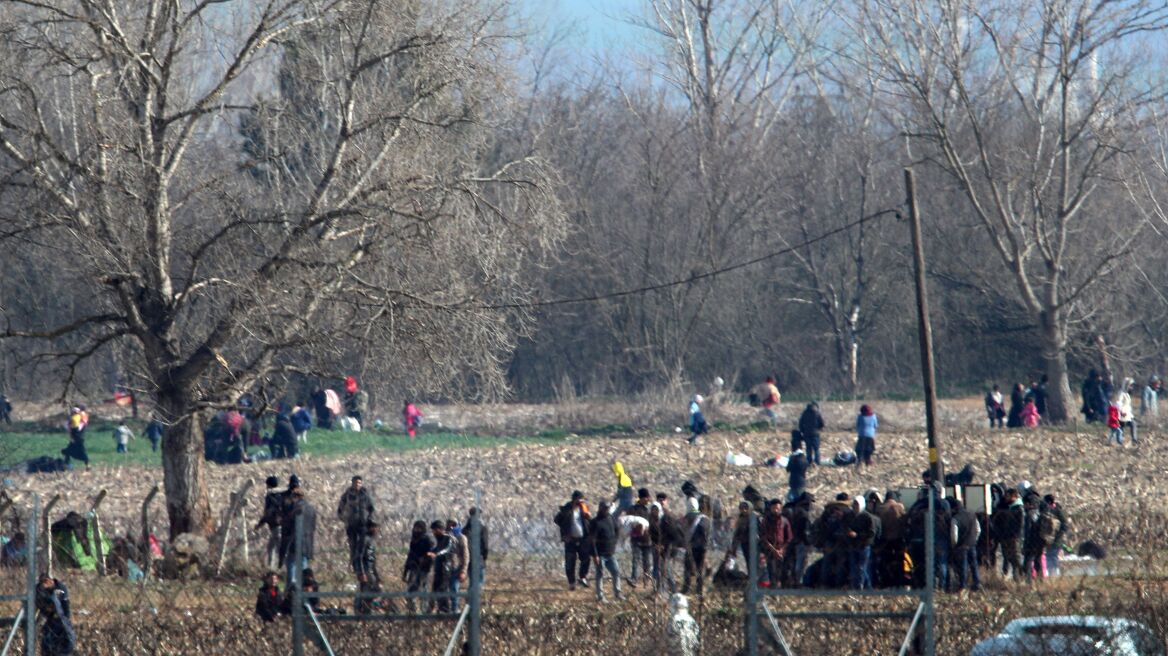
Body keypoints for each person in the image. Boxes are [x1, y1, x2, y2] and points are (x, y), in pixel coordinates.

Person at [554, 490, 592, 590]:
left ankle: (582, 577)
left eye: (582, 500)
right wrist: (565, 533)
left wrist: (588, 517)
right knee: (570, 561)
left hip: (583, 538)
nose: (581, 502)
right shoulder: (566, 509)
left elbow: (589, 521)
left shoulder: (584, 508)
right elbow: (557, 520)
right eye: (579, 500)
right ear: (574, 500)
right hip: (570, 540)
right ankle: (572, 582)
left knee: (586, 559)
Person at [280, 485, 317, 586]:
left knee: (292, 565)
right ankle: (303, 589)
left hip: (295, 541)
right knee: (303, 568)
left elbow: (289, 526)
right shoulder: (311, 509)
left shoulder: (296, 509)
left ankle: (292, 590)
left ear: (295, 497)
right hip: (307, 542)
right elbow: (313, 527)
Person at [588, 502, 623, 602]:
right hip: (600, 553)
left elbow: (616, 530)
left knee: (616, 572)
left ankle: (618, 593)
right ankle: (600, 596)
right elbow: (592, 540)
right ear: (600, 508)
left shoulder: (611, 518)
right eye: (605, 508)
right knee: (600, 574)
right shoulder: (595, 522)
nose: (606, 510)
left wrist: (614, 543)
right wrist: (595, 555)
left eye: (607, 509)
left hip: (610, 552)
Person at [873, 490, 906, 588]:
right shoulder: (899, 507)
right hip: (898, 539)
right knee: (899, 562)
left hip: (884, 540)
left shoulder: (880, 509)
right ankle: (899, 582)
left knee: (885, 562)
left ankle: (886, 583)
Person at [337, 475, 376, 559]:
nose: (357, 484)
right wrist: (344, 519)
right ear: (352, 483)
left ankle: (362, 566)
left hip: (363, 524)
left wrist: (370, 519)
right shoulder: (347, 494)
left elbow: (371, 508)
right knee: (353, 547)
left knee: (363, 547)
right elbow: (340, 508)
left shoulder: (365, 494)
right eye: (356, 482)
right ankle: (355, 566)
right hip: (351, 524)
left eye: (359, 483)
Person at [847, 497, 880, 590]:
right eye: (854, 504)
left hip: (863, 546)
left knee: (862, 567)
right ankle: (860, 586)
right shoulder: (850, 516)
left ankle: (861, 586)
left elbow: (871, 532)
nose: (855, 507)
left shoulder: (867, 517)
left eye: (857, 504)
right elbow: (845, 526)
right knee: (854, 567)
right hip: (853, 545)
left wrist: (857, 535)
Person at [781, 493, 813, 588]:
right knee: (799, 564)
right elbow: (805, 531)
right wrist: (808, 543)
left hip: (786, 542)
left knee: (787, 563)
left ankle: (785, 582)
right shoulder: (803, 513)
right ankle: (796, 582)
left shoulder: (787, 510)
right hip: (798, 542)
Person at [991, 488, 1024, 580]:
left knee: (1015, 558)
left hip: (1013, 538)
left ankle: (1020, 576)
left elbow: (1020, 525)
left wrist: (1015, 536)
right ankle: (1012, 576)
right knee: (1008, 557)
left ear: (1013, 496)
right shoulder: (1007, 507)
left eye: (1007, 496)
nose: (1005, 498)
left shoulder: (1018, 508)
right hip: (1006, 537)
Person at [403, 520, 435, 613]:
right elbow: (410, 555)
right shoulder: (414, 540)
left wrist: (424, 560)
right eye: (416, 528)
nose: (417, 530)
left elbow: (431, 554)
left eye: (419, 528)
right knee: (410, 592)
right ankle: (413, 612)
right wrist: (406, 570)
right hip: (414, 569)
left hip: (424, 570)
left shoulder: (427, 539)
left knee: (423, 592)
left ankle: (425, 613)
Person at [949, 498, 980, 591]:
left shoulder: (955, 518)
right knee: (974, 565)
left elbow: (954, 535)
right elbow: (978, 529)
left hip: (961, 546)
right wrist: (974, 540)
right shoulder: (972, 515)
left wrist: (954, 545)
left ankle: (963, 585)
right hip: (972, 544)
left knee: (963, 566)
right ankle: (976, 583)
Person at [681, 497, 710, 595]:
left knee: (688, 569)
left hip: (691, 546)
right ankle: (699, 589)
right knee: (700, 569)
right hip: (703, 547)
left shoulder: (687, 517)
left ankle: (686, 589)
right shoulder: (705, 518)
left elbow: (683, 531)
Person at [254, 475, 284, 569]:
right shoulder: (282, 495)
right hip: (283, 526)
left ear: (269, 485)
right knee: (272, 548)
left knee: (278, 549)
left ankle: (279, 569)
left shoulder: (270, 497)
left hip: (275, 526)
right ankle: (271, 569)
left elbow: (268, 513)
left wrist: (259, 524)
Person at [761, 499, 792, 588]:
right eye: (774, 508)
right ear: (770, 508)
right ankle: (773, 589)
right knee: (772, 570)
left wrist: (782, 550)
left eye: (777, 508)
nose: (776, 510)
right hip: (770, 550)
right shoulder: (766, 520)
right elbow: (763, 537)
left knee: (782, 571)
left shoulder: (784, 521)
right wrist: (773, 550)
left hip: (782, 550)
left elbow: (789, 537)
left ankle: (780, 588)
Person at [626, 489, 654, 587]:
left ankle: (646, 581)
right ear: (642, 498)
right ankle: (634, 579)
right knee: (636, 561)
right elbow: (629, 522)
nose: (648, 499)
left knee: (647, 562)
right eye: (647, 497)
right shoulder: (633, 509)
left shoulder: (648, 510)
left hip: (647, 540)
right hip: (636, 540)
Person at [353, 521, 382, 615]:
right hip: (365, 570)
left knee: (375, 592)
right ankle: (360, 612)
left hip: (370, 571)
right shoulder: (364, 539)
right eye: (374, 527)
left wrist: (377, 575)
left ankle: (368, 612)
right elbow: (359, 557)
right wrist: (362, 573)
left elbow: (373, 560)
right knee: (365, 593)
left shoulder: (372, 540)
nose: (376, 530)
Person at [426, 521, 455, 612]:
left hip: (445, 567)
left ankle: (445, 609)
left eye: (435, 530)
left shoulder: (448, 538)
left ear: (440, 529)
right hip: (438, 567)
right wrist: (431, 552)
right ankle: (432, 609)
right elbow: (437, 548)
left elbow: (447, 549)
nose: (433, 533)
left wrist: (436, 554)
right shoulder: (439, 539)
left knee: (442, 589)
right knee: (435, 588)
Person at [1042, 494, 1070, 577]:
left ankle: (1054, 575)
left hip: (1056, 540)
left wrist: (1058, 535)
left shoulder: (1058, 511)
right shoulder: (1047, 511)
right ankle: (1051, 575)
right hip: (1049, 539)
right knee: (1049, 556)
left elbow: (1065, 525)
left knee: (1053, 557)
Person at [445, 519, 469, 611]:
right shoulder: (445, 537)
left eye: (454, 525)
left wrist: (463, 571)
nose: (451, 527)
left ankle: (455, 610)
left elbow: (466, 556)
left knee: (454, 589)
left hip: (456, 567)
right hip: (445, 568)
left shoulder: (461, 538)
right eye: (449, 525)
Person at [465, 507, 488, 583]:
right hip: (478, 558)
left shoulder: (465, 529)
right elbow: (485, 545)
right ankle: (473, 595)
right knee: (479, 582)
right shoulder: (482, 528)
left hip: (469, 559)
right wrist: (484, 557)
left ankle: (471, 594)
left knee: (472, 581)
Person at [855, 405, 877, 469]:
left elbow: (857, 425)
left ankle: (859, 460)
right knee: (869, 449)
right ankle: (868, 460)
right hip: (870, 435)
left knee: (859, 449)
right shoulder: (873, 416)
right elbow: (875, 425)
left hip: (861, 435)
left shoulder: (860, 416)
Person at [1117, 378, 1137, 443]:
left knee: (1133, 424)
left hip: (1127, 415)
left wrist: (1131, 416)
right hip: (1122, 415)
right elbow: (1118, 403)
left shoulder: (1127, 394)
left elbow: (1127, 406)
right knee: (1121, 428)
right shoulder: (1121, 393)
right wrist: (1121, 412)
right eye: (1130, 385)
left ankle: (1134, 440)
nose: (1132, 387)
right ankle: (1119, 441)